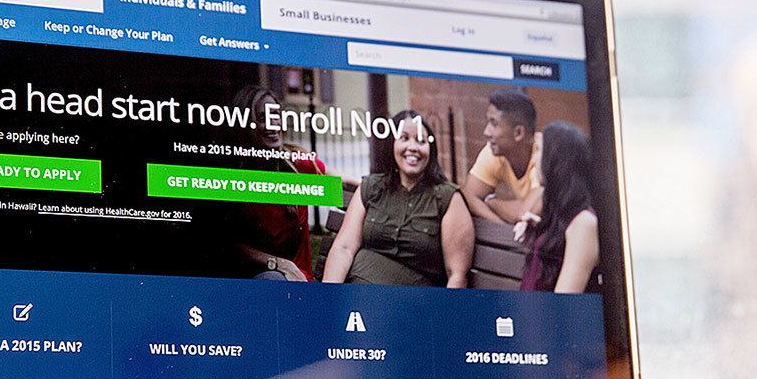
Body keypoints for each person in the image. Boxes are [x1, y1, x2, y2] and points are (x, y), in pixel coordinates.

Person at [323, 110, 473, 287]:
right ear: (391, 144)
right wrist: (329, 298)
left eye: (421, 141)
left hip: (410, 304)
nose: (413, 147)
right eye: (404, 138)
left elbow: (456, 274)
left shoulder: (447, 198)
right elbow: (344, 247)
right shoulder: (371, 187)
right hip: (356, 296)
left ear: (430, 150)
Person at [230, 85, 326, 281]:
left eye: (275, 115)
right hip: (257, 278)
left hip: (298, 280)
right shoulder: (233, 174)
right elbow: (229, 243)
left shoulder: (297, 164)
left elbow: (340, 182)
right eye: (262, 118)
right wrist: (279, 264)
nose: (273, 124)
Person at [516, 121, 597, 293]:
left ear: (556, 160)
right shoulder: (559, 212)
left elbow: (565, 301)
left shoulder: (584, 224)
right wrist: (540, 229)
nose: (533, 159)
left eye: (538, 150)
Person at [462, 88, 542, 224]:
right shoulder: (494, 151)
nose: (486, 132)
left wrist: (491, 201)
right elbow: (469, 197)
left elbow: (525, 213)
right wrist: (503, 228)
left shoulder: (544, 155)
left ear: (518, 133)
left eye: (494, 123)